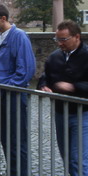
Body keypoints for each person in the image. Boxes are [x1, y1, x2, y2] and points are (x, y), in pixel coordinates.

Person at [0, 2, 35, 176]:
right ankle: (12, 171)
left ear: (3, 18)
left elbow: (26, 71)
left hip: (13, 96)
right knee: (6, 138)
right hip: (0, 95)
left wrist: (5, 87)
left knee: (17, 140)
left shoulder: (19, 36)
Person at [38, 20, 88, 176]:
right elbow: (46, 76)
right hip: (61, 112)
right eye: (57, 39)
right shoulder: (54, 57)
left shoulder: (86, 56)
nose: (59, 43)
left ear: (77, 37)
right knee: (66, 156)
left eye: (63, 39)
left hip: (83, 113)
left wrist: (74, 87)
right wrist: (44, 85)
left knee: (77, 159)